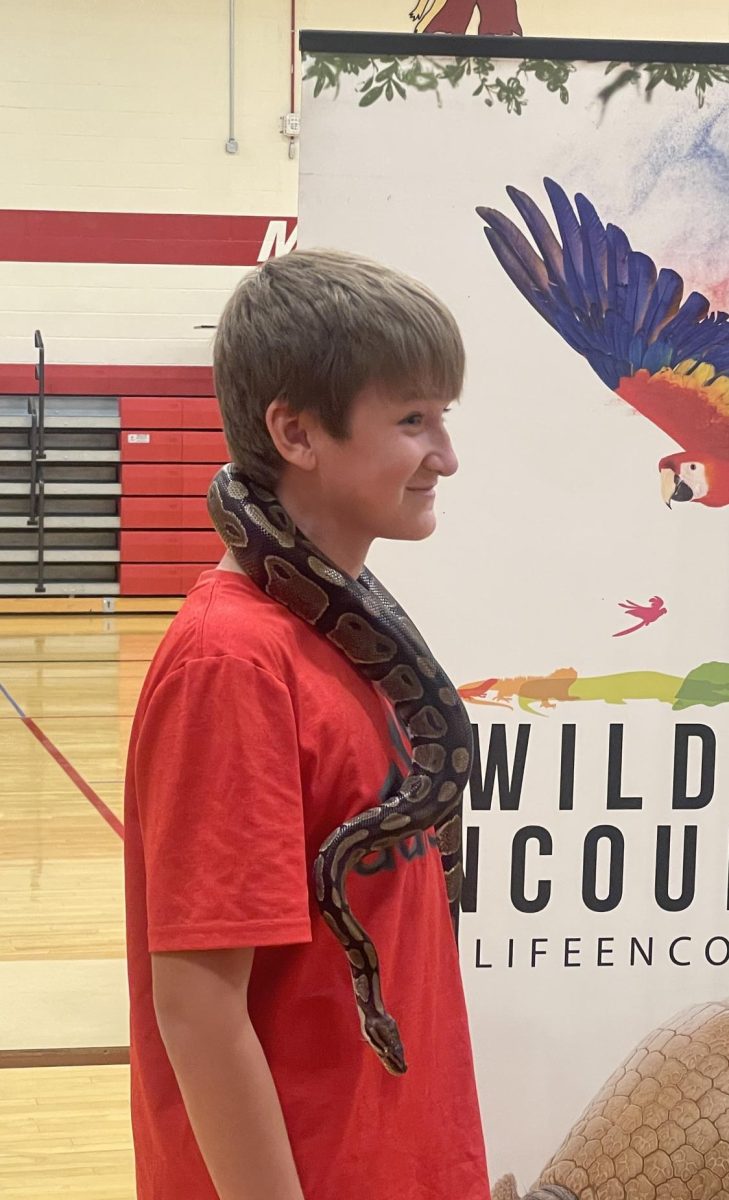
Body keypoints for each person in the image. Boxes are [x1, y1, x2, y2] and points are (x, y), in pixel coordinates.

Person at [123, 248, 491, 1200]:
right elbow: (199, 1009)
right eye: (413, 420)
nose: (444, 455)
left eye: (443, 419)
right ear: (294, 430)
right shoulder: (234, 663)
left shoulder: (347, 633)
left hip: (396, 1149)